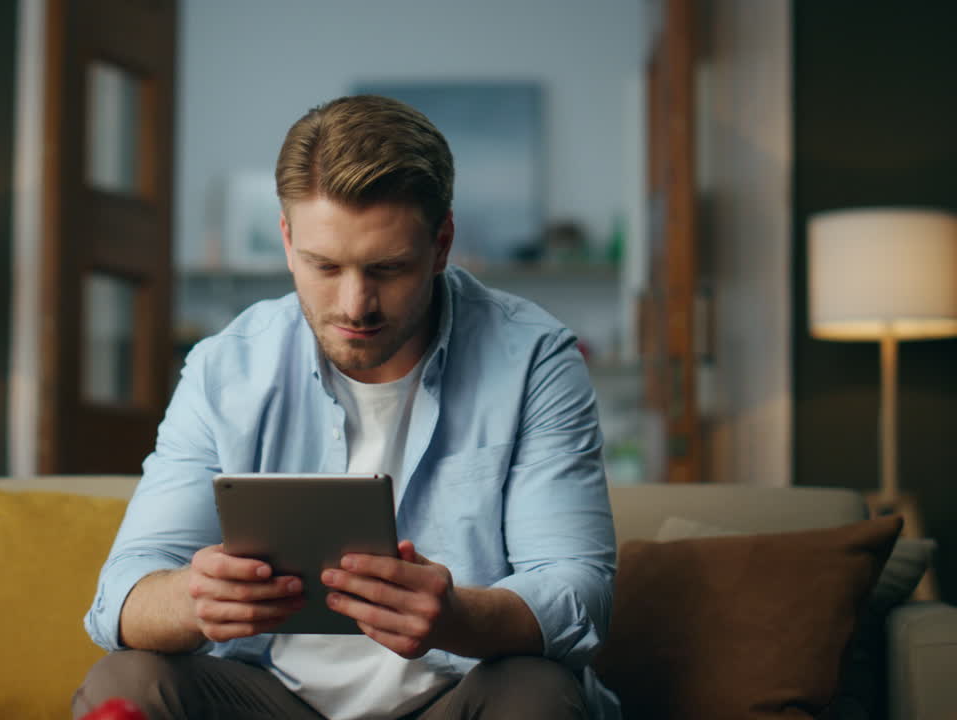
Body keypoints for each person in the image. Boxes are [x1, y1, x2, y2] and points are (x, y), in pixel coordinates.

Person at [75, 94, 620, 720]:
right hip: (269, 699)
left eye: (388, 268)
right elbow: (121, 594)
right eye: (324, 266)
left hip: (454, 699)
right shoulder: (225, 369)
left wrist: (457, 616)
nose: (356, 304)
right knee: (127, 682)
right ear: (286, 240)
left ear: (441, 243)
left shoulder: (533, 360)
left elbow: (582, 593)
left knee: (536, 692)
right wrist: (193, 599)